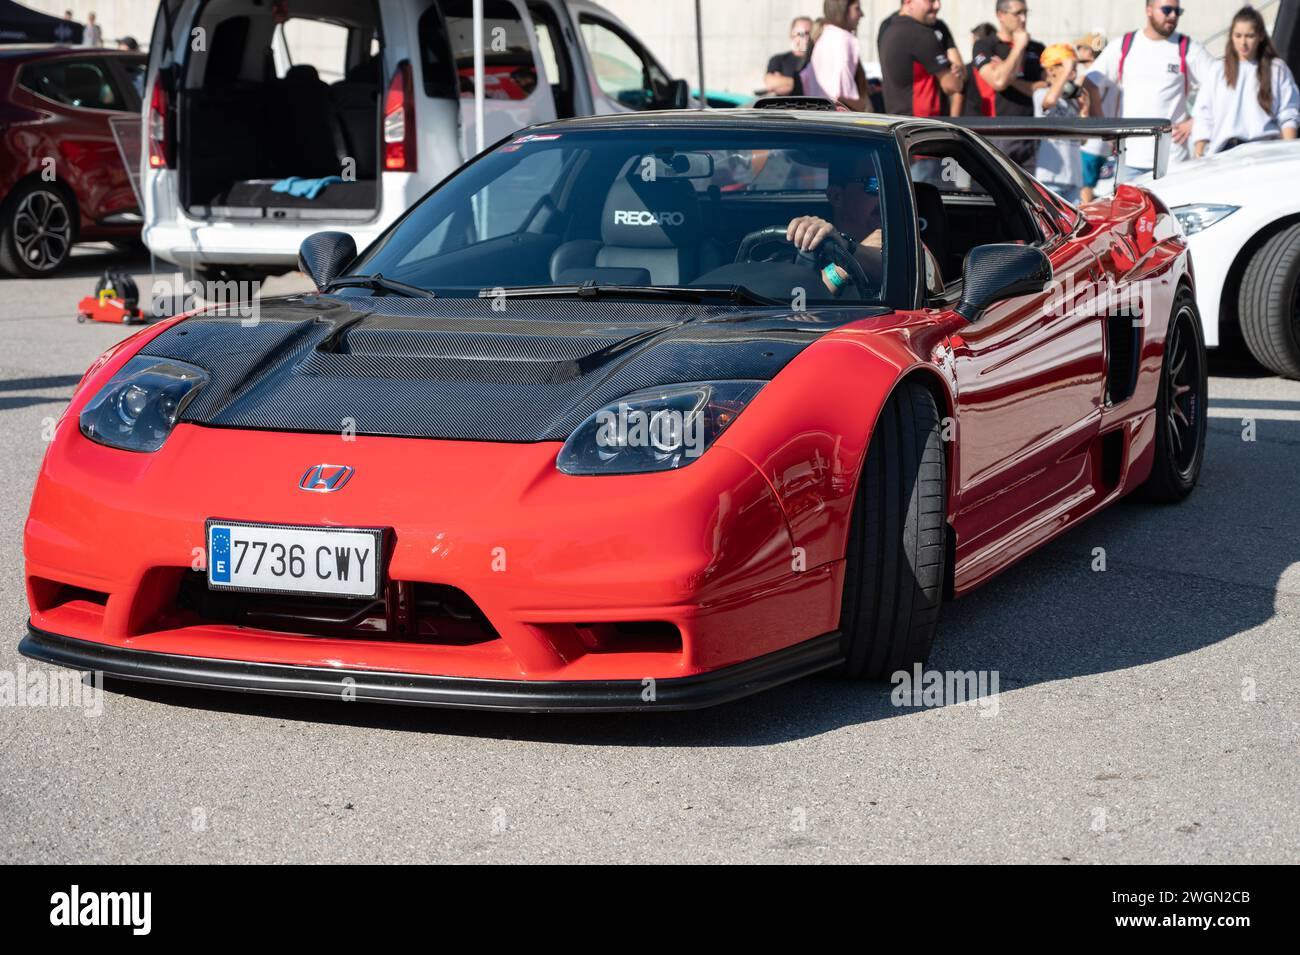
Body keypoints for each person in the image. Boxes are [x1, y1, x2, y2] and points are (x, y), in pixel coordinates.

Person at [1088, 2, 1216, 180]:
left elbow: (1222, 84)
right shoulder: (1125, 45)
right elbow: (1089, 82)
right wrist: (1103, 128)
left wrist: (1195, 121)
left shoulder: (1187, 48)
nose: (1172, 15)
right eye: (1166, 10)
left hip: (1172, 162)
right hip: (1128, 160)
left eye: (1177, 11)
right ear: (1148, 10)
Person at [1193, 6, 1299, 157]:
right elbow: (1203, 114)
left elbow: (1288, 113)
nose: (1243, 42)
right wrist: (1199, 153)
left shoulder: (1277, 69)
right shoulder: (1217, 70)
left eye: (1249, 36)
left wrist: (1289, 152)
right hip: (1224, 153)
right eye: (1238, 35)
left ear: (1260, 36)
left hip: (1266, 152)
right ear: (1231, 36)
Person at [785, 156, 886, 295]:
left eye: (889, 186)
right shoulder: (795, 257)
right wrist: (845, 262)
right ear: (836, 196)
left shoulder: (909, 245)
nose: (884, 196)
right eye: (874, 184)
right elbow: (794, 305)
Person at [972, 0, 1046, 169]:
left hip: (1034, 133)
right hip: (1000, 132)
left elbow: (1045, 91)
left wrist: (1011, 79)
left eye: (1026, 13)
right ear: (1001, 15)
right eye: (1018, 13)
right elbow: (998, 82)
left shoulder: (1036, 48)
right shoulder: (985, 45)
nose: (1023, 18)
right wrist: (1019, 46)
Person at [877, 1, 966, 115]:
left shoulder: (888, 29)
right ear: (908, 2)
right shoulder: (923, 34)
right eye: (931, 0)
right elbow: (953, 86)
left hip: (896, 122)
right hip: (924, 126)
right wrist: (955, 75)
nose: (938, 5)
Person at [1033, 44, 1091, 204]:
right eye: (1066, 66)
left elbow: (1083, 140)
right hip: (1050, 178)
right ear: (1051, 70)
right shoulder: (1041, 94)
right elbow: (1050, 101)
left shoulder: (1073, 101)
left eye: (1074, 67)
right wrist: (1065, 71)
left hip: (1073, 177)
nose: (1072, 70)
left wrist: (1085, 110)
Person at [800, 1, 872, 110]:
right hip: (839, 118)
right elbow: (841, 94)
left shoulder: (823, 36)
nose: (862, 14)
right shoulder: (844, 39)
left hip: (816, 115)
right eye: (857, 8)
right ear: (842, 9)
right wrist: (865, 105)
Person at [1076, 33, 1117, 202]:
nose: (1078, 52)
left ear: (1088, 52)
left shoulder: (1087, 78)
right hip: (1109, 143)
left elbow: (1083, 109)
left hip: (1090, 142)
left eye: (1080, 48)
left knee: (1085, 190)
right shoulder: (1112, 76)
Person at [764, 17, 813, 96]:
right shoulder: (778, 60)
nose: (806, 38)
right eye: (801, 33)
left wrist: (784, 82)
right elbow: (770, 84)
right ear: (792, 34)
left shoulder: (815, 62)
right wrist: (803, 83)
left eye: (808, 33)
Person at [961, 23, 998, 116]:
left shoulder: (967, 69)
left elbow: (958, 100)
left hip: (977, 122)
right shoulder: (1004, 68)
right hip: (978, 121)